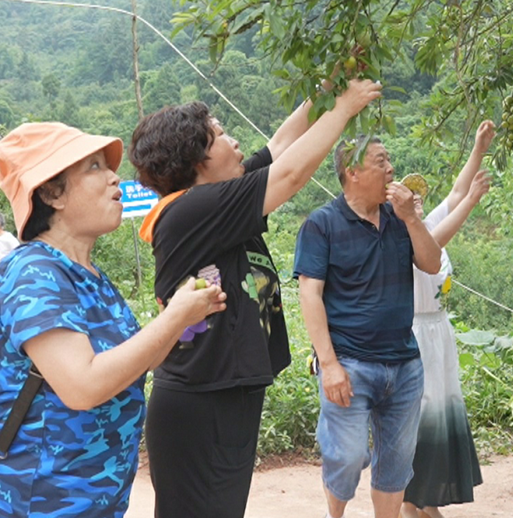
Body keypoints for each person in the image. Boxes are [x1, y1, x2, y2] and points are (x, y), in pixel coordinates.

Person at [128, 78, 383, 518]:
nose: (235, 140)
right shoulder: (190, 210)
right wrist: (343, 108)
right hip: (202, 396)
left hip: (226, 390)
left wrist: (321, 94)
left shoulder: (216, 198)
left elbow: (283, 145)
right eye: (222, 133)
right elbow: (290, 173)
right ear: (198, 158)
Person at [0, 121, 225, 518]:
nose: (115, 178)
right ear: (51, 193)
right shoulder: (33, 272)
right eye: (94, 167)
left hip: (95, 504)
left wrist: (179, 319)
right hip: (40, 504)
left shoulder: (88, 275)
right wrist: (174, 317)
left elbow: (132, 363)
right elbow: (83, 385)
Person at [295, 137, 443, 518]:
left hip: (404, 364)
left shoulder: (399, 219)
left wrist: (412, 218)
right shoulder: (322, 224)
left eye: (390, 160)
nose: (391, 169)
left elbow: (431, 263)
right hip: (349, 363)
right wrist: (328, 366)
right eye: (381, 161)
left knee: (395, 465)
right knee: (346, 456)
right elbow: (310, 296)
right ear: (354, 172)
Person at [402, 121, 494, 518]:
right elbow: (435, 245)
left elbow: (456, 192)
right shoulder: (405, 238)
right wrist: (471, 203)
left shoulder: (426, 224)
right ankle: (413, 503)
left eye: (419, 199)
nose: (418, 203)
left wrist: (478, 148)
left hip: (439, 335)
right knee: (420, 422)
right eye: (409, 201)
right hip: (415, 337)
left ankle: (422, 501)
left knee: (440, 419)